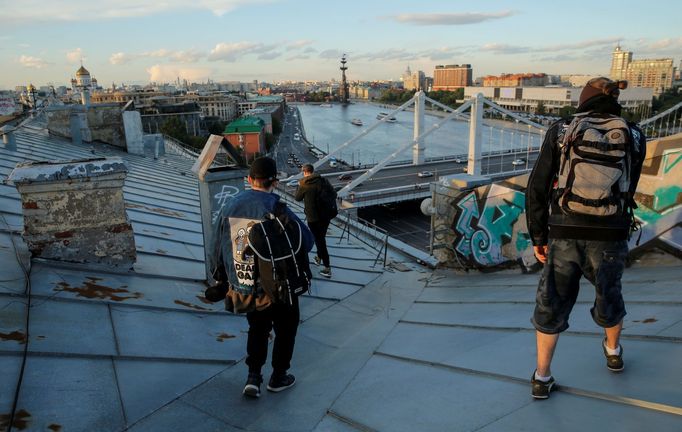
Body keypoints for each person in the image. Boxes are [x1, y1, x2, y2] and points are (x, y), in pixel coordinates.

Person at [525, 77, 646, 399]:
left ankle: (542, 376)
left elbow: (537, 186)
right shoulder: (633, 133)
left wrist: (538, 234)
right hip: (611, 232)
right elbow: (629, 185)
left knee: (552, 301)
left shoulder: (562, 130)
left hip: (564, 231)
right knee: (610, 293)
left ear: (583, 99)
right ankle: (613, 350)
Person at [215, 157, 314, 398]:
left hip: (246, 284)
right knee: (286, 330)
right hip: (280, 285)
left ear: (249, 180)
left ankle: (253, 377)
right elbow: (307, 242)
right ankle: (278, 376)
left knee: (257, 328)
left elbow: (216, 246)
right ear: (275, 182)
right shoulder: (279, 209)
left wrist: (220, 279)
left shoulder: (230, 206)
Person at [295, 164, 335, 278]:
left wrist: (298, 186)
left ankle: (327, 268)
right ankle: (318, 257)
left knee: (320, 240)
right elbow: (334, 194)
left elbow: (297, 198)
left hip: (313, 218)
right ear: (313, 171)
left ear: (304, 172)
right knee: (321, 238)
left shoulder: (304, 184)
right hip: (326, 216)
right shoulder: (323, 180)